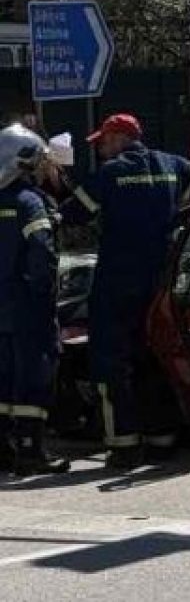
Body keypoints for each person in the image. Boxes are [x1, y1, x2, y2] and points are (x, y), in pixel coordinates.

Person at [49, 113, 190, 470]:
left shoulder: (109, 175)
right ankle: (162, 437)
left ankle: (124, 445)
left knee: (110, 362)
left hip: (117, 283)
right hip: (162, 281)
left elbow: (70, 216)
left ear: (118, 139)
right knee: (154, 354)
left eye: (103, 141)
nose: (99, 147)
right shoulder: (172, 165)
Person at [0, 124, 70, 476]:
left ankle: (4, 451)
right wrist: (44, 292)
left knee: (3, 379)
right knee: (34, 376)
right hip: (28, 307)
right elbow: (41, 251)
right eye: (42, 160)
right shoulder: (30, 202)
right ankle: (31, 451)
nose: (48, 166)